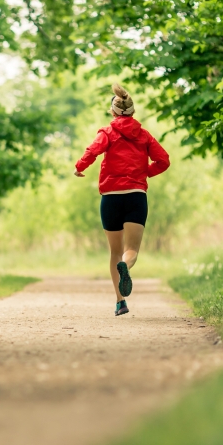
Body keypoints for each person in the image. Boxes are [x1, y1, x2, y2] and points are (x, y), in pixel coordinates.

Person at [74, 83, 170, 316]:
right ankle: (125, 268)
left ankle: (120, 302)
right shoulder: (144, 135)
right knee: (131, 250)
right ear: (133, 112)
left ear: (113, 112)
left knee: (114, 252)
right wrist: (144, 173)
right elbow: (163, 160)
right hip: (136, 196)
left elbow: (92, 151)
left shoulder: (107, 132)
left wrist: (79, 167)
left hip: (111, 198)